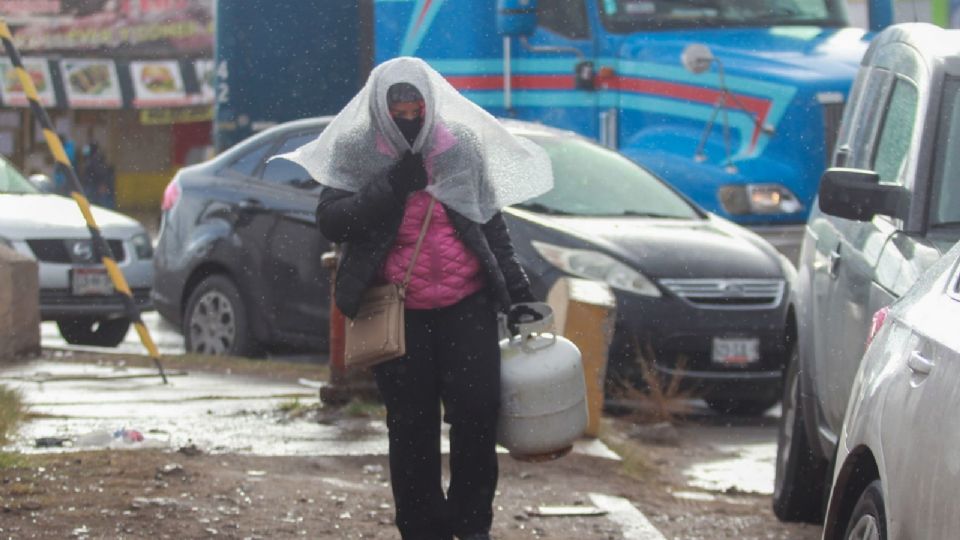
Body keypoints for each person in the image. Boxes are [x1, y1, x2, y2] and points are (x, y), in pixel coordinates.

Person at [280, 57, 554, 540]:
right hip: (397, 311)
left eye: (416, 103)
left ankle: (471, 526)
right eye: (398, 104)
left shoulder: (460, 147)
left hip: (466, 304)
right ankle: (422, 527)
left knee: (476, 417)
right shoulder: (357, 149)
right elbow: (333, 221)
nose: (408, 112)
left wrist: (517, 295)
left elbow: (489, 222)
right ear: (381, 106)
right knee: (411, 429)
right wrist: (391, 186)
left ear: (432, 101)